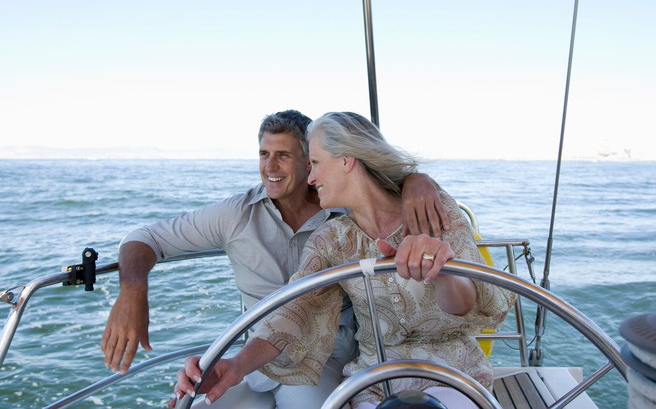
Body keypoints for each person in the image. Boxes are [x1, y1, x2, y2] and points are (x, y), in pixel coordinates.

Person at [102, 109, 448, 408]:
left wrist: (417, 180)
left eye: (283, 155)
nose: (270, 166)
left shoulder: (344, 212)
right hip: (256, 361)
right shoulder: (235, 214)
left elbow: (379, 188)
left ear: (310, 158)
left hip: (324, 360)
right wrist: (133, 291)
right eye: (263, 153)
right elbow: (145, 238)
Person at [172, 111, 514, 408]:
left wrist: (442, 272)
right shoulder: (331, 240)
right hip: (375, 382)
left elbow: (466, 304)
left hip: (452, 373)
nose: (311, 178)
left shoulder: (431, 207)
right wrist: (236, 365)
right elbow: (294, 312)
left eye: (317, 163)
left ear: (347, 160)